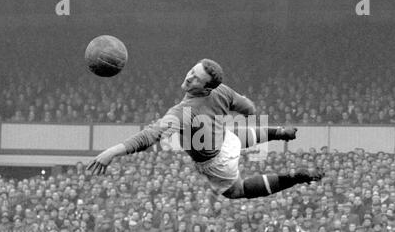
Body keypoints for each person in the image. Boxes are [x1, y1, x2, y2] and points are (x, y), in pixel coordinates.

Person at [87, 59, 323, 199]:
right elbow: (250, 108)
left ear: (207, 86)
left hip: (217, 163)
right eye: (192, 71)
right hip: (224, 139)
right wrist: (240, 109)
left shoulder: (183, 111)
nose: (189, 78)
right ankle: (278, 132)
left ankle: (293, 178)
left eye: (196, 78)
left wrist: (112, 152)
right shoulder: (223, 91)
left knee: (236, 191)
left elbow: (150, 135)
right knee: (235, 136)